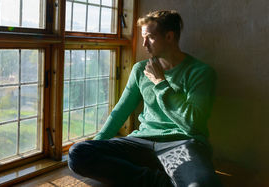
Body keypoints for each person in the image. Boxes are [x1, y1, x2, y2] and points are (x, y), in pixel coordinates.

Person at [68, 10, 222, 187]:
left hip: (181, 144)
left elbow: (193, 123)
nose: (144, 44)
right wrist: (98, 142)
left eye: (149, 37)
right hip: (140, 143)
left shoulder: (201, 73)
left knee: (203, 185)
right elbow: (121, 110)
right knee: (78, 153)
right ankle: (159, 181)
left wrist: (161, 83)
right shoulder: (140, 69)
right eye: (143, 37)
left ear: (169, 37)